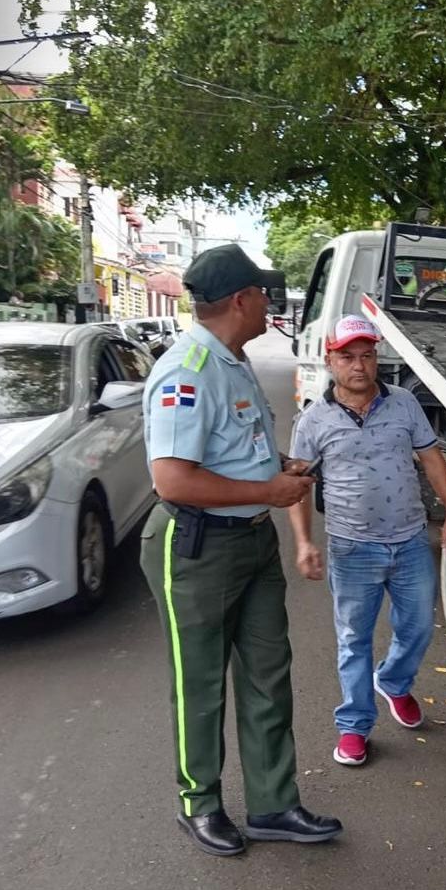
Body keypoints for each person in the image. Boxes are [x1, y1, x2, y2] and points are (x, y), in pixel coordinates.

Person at [140, 243, 342, 857]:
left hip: (252, 539)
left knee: (267, 675)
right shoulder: (187, 370)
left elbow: (235, 446)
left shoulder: (234, 360)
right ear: (240, 300)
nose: (267, 303)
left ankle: (273, 803)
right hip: (196, 545)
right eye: (261, 293)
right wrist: (269, 488)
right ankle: (198, 804)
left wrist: (280, 467)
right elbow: (172, 480)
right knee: (200, 683)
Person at [288, 314, 446, 767]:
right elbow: (296, 485)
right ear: (330, 361)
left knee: (419, 626)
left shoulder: (404, 403)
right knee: (354, 639)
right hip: (351, 548)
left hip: (408, 542)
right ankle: (354, 724)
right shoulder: (313, 419)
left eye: (367, 355)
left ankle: (394, 682)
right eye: (347, 357)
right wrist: (305, 542)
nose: (359, 366)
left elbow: (431, 457)